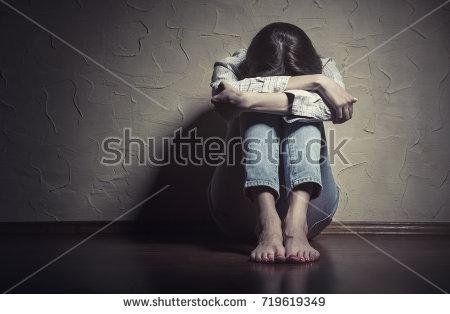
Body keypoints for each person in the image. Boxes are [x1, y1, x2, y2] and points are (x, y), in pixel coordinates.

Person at [209, 22, 357, 263]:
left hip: (312, 211)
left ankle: (295, 224)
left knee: (302, 114)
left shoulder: (325, 68)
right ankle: (267, 220)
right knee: (255, 110)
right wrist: (316, 84)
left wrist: (250, 97)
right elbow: (225, 94)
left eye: (317, 78)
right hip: (238, 209)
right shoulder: (231, 66)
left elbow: (337, 109)